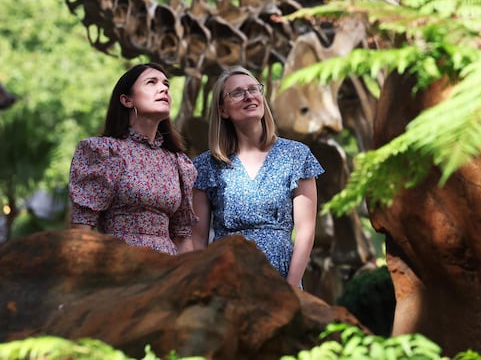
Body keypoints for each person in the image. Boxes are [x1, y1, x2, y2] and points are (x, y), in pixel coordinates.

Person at [191, 66, 322, 288]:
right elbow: (197, 240)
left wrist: (291, 288)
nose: (249, 96)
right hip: (225, 279)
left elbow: (306, 231)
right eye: (237, 92)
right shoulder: (206, 165)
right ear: (223, 110)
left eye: (254, 89)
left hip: (280, 277)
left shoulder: (296, 156)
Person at [68, 62, 197, 255]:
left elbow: (183, 237)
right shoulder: (104, 152)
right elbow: (82, 229)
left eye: (166, 84)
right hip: (119, 266)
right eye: (151, 82)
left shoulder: (178, 163)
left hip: (167, 269)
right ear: (127, 100)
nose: (163, 88)